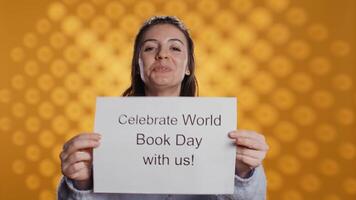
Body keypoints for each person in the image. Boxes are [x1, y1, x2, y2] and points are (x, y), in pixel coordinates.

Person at [58, 16, 269, 200]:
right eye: (150, 47)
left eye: (175, 47)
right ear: (138, 64)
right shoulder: (107, 135)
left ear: (188, 66)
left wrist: (242, 175)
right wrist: (81, 185)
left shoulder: (218, 133)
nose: (162, 55)